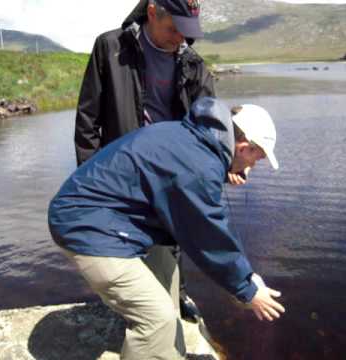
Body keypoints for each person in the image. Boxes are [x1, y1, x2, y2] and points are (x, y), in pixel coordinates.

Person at [49, 97, 285, 360]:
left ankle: (165, 351)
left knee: (168, 273)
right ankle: (154, 341)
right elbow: (208, 236)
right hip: (84, 225)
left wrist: (223, 169)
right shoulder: (200, 166)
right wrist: (248, 289)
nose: (254, 166)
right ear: (243, 148)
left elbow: (188, 183)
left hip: (106, 216)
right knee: (158, 318)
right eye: (258, 158)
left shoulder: (197, 139)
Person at [74, 0, 220, 321]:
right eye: (173, 29)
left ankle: (177, 294)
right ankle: (133, 307)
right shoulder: (110, 48)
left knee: (172, 238)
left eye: (187, 32)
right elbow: (88, 121)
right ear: (152, 12)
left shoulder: (194, 65)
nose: (181, 38)